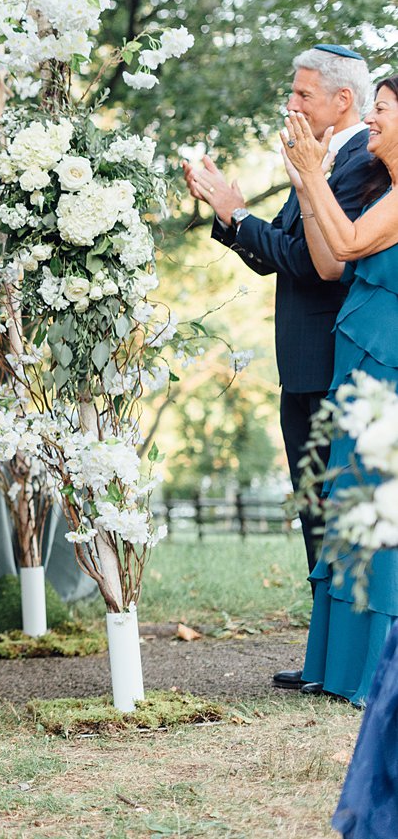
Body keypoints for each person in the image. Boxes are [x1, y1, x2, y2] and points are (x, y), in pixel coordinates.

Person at [184, 44, 385, 693]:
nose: (292, 104)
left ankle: (345, 658)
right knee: (314, 513)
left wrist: (240, 214)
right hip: (303, 365)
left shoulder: (362, 162)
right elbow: (278, 253)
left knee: (337, 512)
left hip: (339, 360)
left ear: (341, 101)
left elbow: (314, 261)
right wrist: (230, 214)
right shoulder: (321, 161)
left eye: (302, 94)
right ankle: (325, 653)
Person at [278, 77, 398, 710]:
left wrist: (311, 173)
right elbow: (330, 261)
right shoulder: (382, 190)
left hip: (391, 373)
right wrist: (305, 181)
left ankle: (378, 667)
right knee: (349, 504)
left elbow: (350, 242)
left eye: (382, 109)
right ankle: (344, 666)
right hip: (358, 368)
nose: (372, 120)